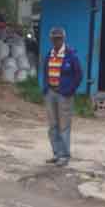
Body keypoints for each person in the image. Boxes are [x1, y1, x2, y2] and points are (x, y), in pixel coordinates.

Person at [41, 26, 83, 165]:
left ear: (63, 39)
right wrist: (46, 88)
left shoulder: (71, 55)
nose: (56, 41)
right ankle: (56, 153)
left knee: (64, 125)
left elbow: (78, 75)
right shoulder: (50, 54)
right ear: (51, 40)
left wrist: (69, 90)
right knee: (53, 125)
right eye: (54, 39)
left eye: (59, 38)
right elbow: (45, 72)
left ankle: (64, 156)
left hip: (64, 95)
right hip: (51, 93)